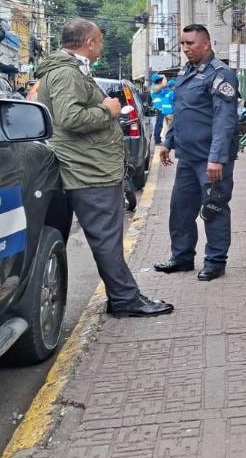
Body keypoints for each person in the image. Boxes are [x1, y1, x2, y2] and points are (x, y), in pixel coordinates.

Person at [34, 19, 173, 318]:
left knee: (106, 239)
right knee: (107, 240)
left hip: (89, 167)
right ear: (90, 42)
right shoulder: (65, 73)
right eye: (99, 40)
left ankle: (123, 296)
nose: (101, 45)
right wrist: (107, 110)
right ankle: (125, 300)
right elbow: (70, 118)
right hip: (88, 171)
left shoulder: (69, 70)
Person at [155, 24, 240, 281]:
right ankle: (181, 258)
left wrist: (216, 159)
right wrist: (168, 142)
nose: (185, 48)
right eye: (183, 44)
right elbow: (182, 112)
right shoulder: (186, 72)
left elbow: (224, 120)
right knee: (180, 210)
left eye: (190, 43)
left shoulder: (220, 74)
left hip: (209, 159)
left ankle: (215, 262)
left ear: (206, 44)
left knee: (214, 208)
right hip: (188, 157)